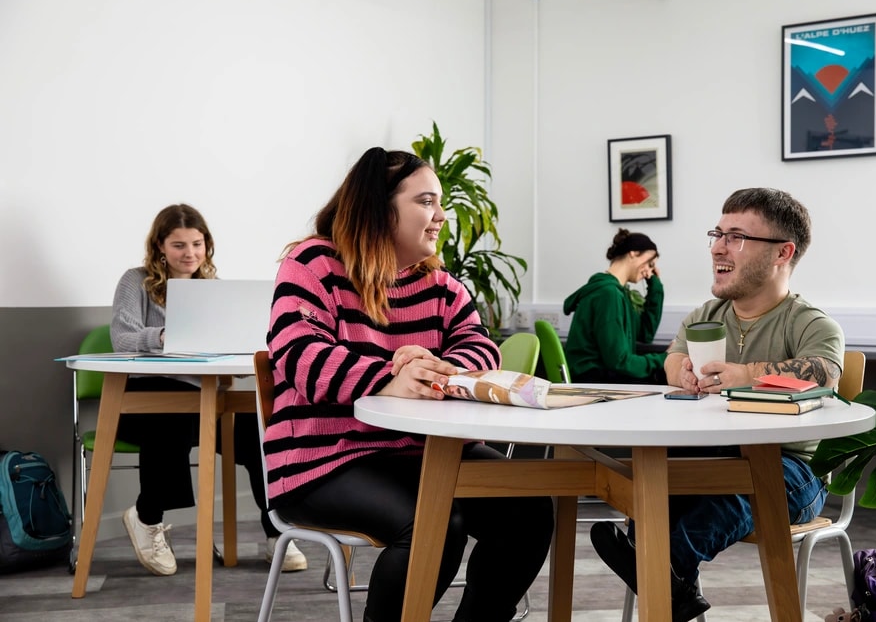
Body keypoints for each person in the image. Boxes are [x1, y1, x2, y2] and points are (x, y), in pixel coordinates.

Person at [263, 147, 553, 622]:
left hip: (423, 452)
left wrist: (439, 368)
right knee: (435, 523)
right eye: (426, 201)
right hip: (323, 458)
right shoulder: (312, 263)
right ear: (379, 206)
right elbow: (300, 357)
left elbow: (482, 349)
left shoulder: (440, 284)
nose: (441, 216)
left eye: (440, 203)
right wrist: (390, 378)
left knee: (529, 512)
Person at [589, 188, 844, 621]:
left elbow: (825, 371)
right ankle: (670, 585)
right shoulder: (706, 315)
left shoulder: (811, 323)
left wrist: (747, 374)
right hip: (715, 454)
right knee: (658, 478)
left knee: (730, 490)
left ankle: (657, 568)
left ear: (783, 252)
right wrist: (681, 371)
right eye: (717, 234)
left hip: (791, 472)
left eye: (737, 237)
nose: (718, 248)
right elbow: (673, 356)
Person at [111, 203, 307, 577]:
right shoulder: (135, 281)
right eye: (179, 245)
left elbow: (226, 343)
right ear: (160, 247)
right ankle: (147, 518)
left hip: (204, 398)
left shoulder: (214, 289)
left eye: (197, 244)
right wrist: (168, 336)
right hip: (144, 401)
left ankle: (276, 531)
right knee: (173, 418)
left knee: (258, 431)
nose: (190, 254)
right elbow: (122, 338)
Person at [562, 228, 666, 383]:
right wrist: (666, 357)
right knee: (664, 378)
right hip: (594, 381)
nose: (649, 272)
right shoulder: (608, 294)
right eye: (649, 263)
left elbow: (645, 333)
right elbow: (619, 361)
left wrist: (654, 284)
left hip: (597, 376)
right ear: (633, 253)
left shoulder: (616, 293)